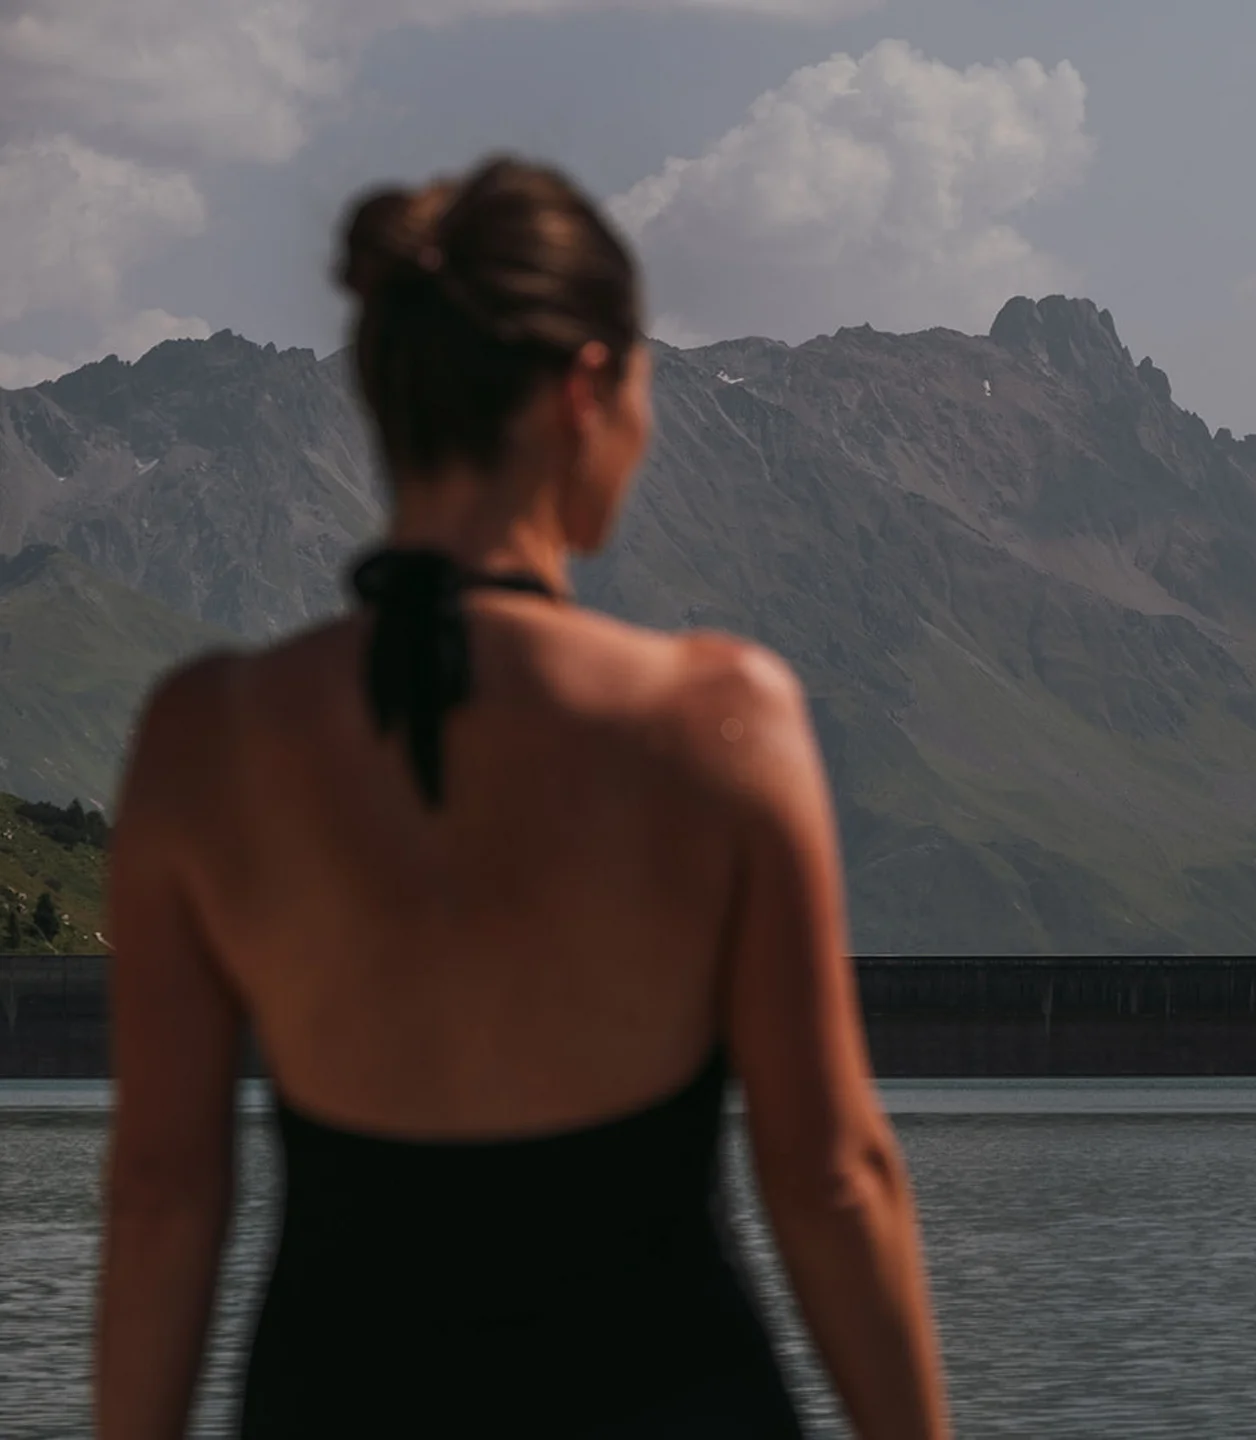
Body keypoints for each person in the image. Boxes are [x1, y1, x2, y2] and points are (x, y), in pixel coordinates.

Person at [94, 154, 950, 1440]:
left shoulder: (204, 739)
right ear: (587, 389)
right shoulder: (717, 722)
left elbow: (163, 1190)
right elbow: (830, 1177)